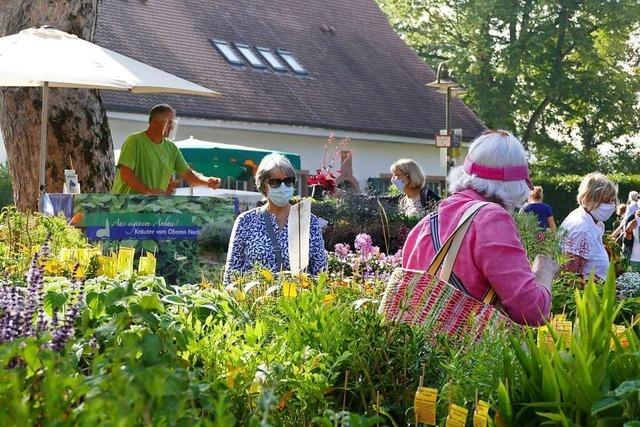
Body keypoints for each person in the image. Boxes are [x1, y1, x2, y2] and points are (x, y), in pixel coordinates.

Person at [402, 130, 557, 325]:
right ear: (517, 183)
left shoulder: (427, 223)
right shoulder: (492, 220)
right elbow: (532, 311)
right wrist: (544, 270)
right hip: (464, 349)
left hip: (417, 348)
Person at [224, 153, 327, 284]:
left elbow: (321, 271)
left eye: (288, 181)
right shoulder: (245, 221)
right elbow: (231, 274)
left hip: (296, 302)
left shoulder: (307, 221)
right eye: (275, 182)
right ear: (263, 185)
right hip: (255, 301)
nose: (282, 187)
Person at [112, 104, 221, 194]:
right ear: (154, 122)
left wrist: (207, 181)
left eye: (173, 123)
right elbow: (126, 173)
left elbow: (188, 174)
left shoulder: (171, 148)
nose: (172, 127)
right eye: (169, 122)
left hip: (152, 209)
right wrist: (148, 192)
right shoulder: (134, 140)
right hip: (125, 210)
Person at [559, 173, 618, 280]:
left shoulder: (590, 220)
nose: (611, 205)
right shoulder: (582, 229)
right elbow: (570, 276)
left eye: (613, 200)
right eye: (605, 201)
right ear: (587, 199)